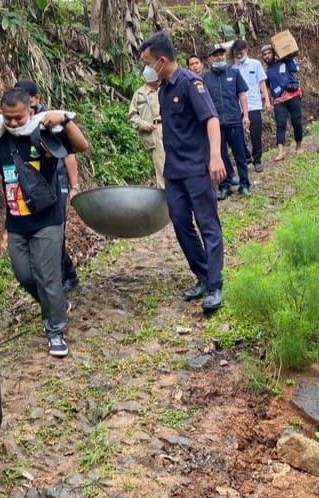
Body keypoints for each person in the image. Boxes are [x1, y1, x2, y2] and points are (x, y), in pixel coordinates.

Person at [0, 88, 90, 357]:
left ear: (30, 112)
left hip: (47, 219)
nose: (12, 123)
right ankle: (53, 305)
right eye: (7, 117)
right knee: (24, 275)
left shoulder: (43, 132)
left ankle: (55, 331)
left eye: (18, 118)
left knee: (48, 277)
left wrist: (65, 121)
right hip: (16, 223)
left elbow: (81, 146)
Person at [139, 32, 225, 313]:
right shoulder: (163, 89)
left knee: (207, 224)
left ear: (161, 60)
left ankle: (215, 286)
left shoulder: (191, 83)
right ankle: (202, 275)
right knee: (180, 222)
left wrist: (214, 157)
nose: (146, 68)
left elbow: (211, 119)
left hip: (197, 168)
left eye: (147, 62)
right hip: (174, 171)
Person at [13, 79, 80, 294]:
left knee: (55, 231)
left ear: (37, 98)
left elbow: (70, 154)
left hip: (56, 183)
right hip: (33, 187)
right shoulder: (18, 123)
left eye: (28, 98)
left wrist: (74, 186)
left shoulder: (50, 120)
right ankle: (66, 274)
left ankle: (62, 279)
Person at [202, 43, 251, 199]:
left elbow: (242, 94)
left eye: (222, 54)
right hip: (216, 125)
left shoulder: (234, 73)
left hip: (234, 120)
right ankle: (225, 186)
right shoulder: (205, 78)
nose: (220, 57)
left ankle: (244, 184)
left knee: (240, 155)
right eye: (216, 55)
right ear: (210, 58)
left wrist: (245, 115)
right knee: (220, 156)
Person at [231, 39, 273, 173]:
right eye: (236, 53)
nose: (238, 55)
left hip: (254, 104)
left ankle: (258, 160)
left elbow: (262, 84)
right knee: (236, 133)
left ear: (246, 50)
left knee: (256, 133)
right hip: (238, 106)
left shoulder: (255, 64)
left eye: (240, 53)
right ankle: (247, 156)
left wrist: (267, 101)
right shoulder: (233, 69)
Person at [261, 44, 304, 160]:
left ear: (274, 53)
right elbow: (262, 85)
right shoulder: (265, 71)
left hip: (293, 96)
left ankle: (299, 147)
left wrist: (289, 56)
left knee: (296, 121)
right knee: (280, 125)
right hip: (279, 101)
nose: (267, 56)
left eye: (269, 53)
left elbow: (295, 68)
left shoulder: (285, 62)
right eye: (264, 55)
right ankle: (281, 152)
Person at [128, 75, 165, 188]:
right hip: (154, 131)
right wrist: (144, 125)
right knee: (161, 165)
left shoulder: (165, 89)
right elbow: (132, 117)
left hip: (170, 127)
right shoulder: (140, 94)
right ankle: (165, 196)